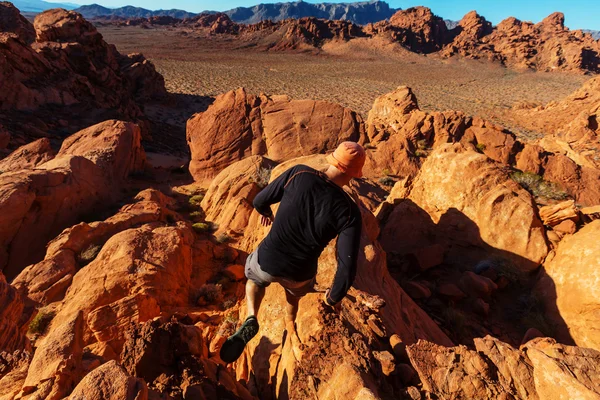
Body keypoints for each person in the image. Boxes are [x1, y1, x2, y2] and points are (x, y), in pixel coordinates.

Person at [219, 141, 365, 363]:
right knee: (295, 294)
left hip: (268, 259)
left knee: (254, 279)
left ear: (332, 160)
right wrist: (333, 296)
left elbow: (259, 200)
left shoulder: (300, 173)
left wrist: (265, 211)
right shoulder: (350, 211)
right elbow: (347, 266)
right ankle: (290, 322)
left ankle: (251, 316)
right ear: (355, 174)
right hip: (300, 273)